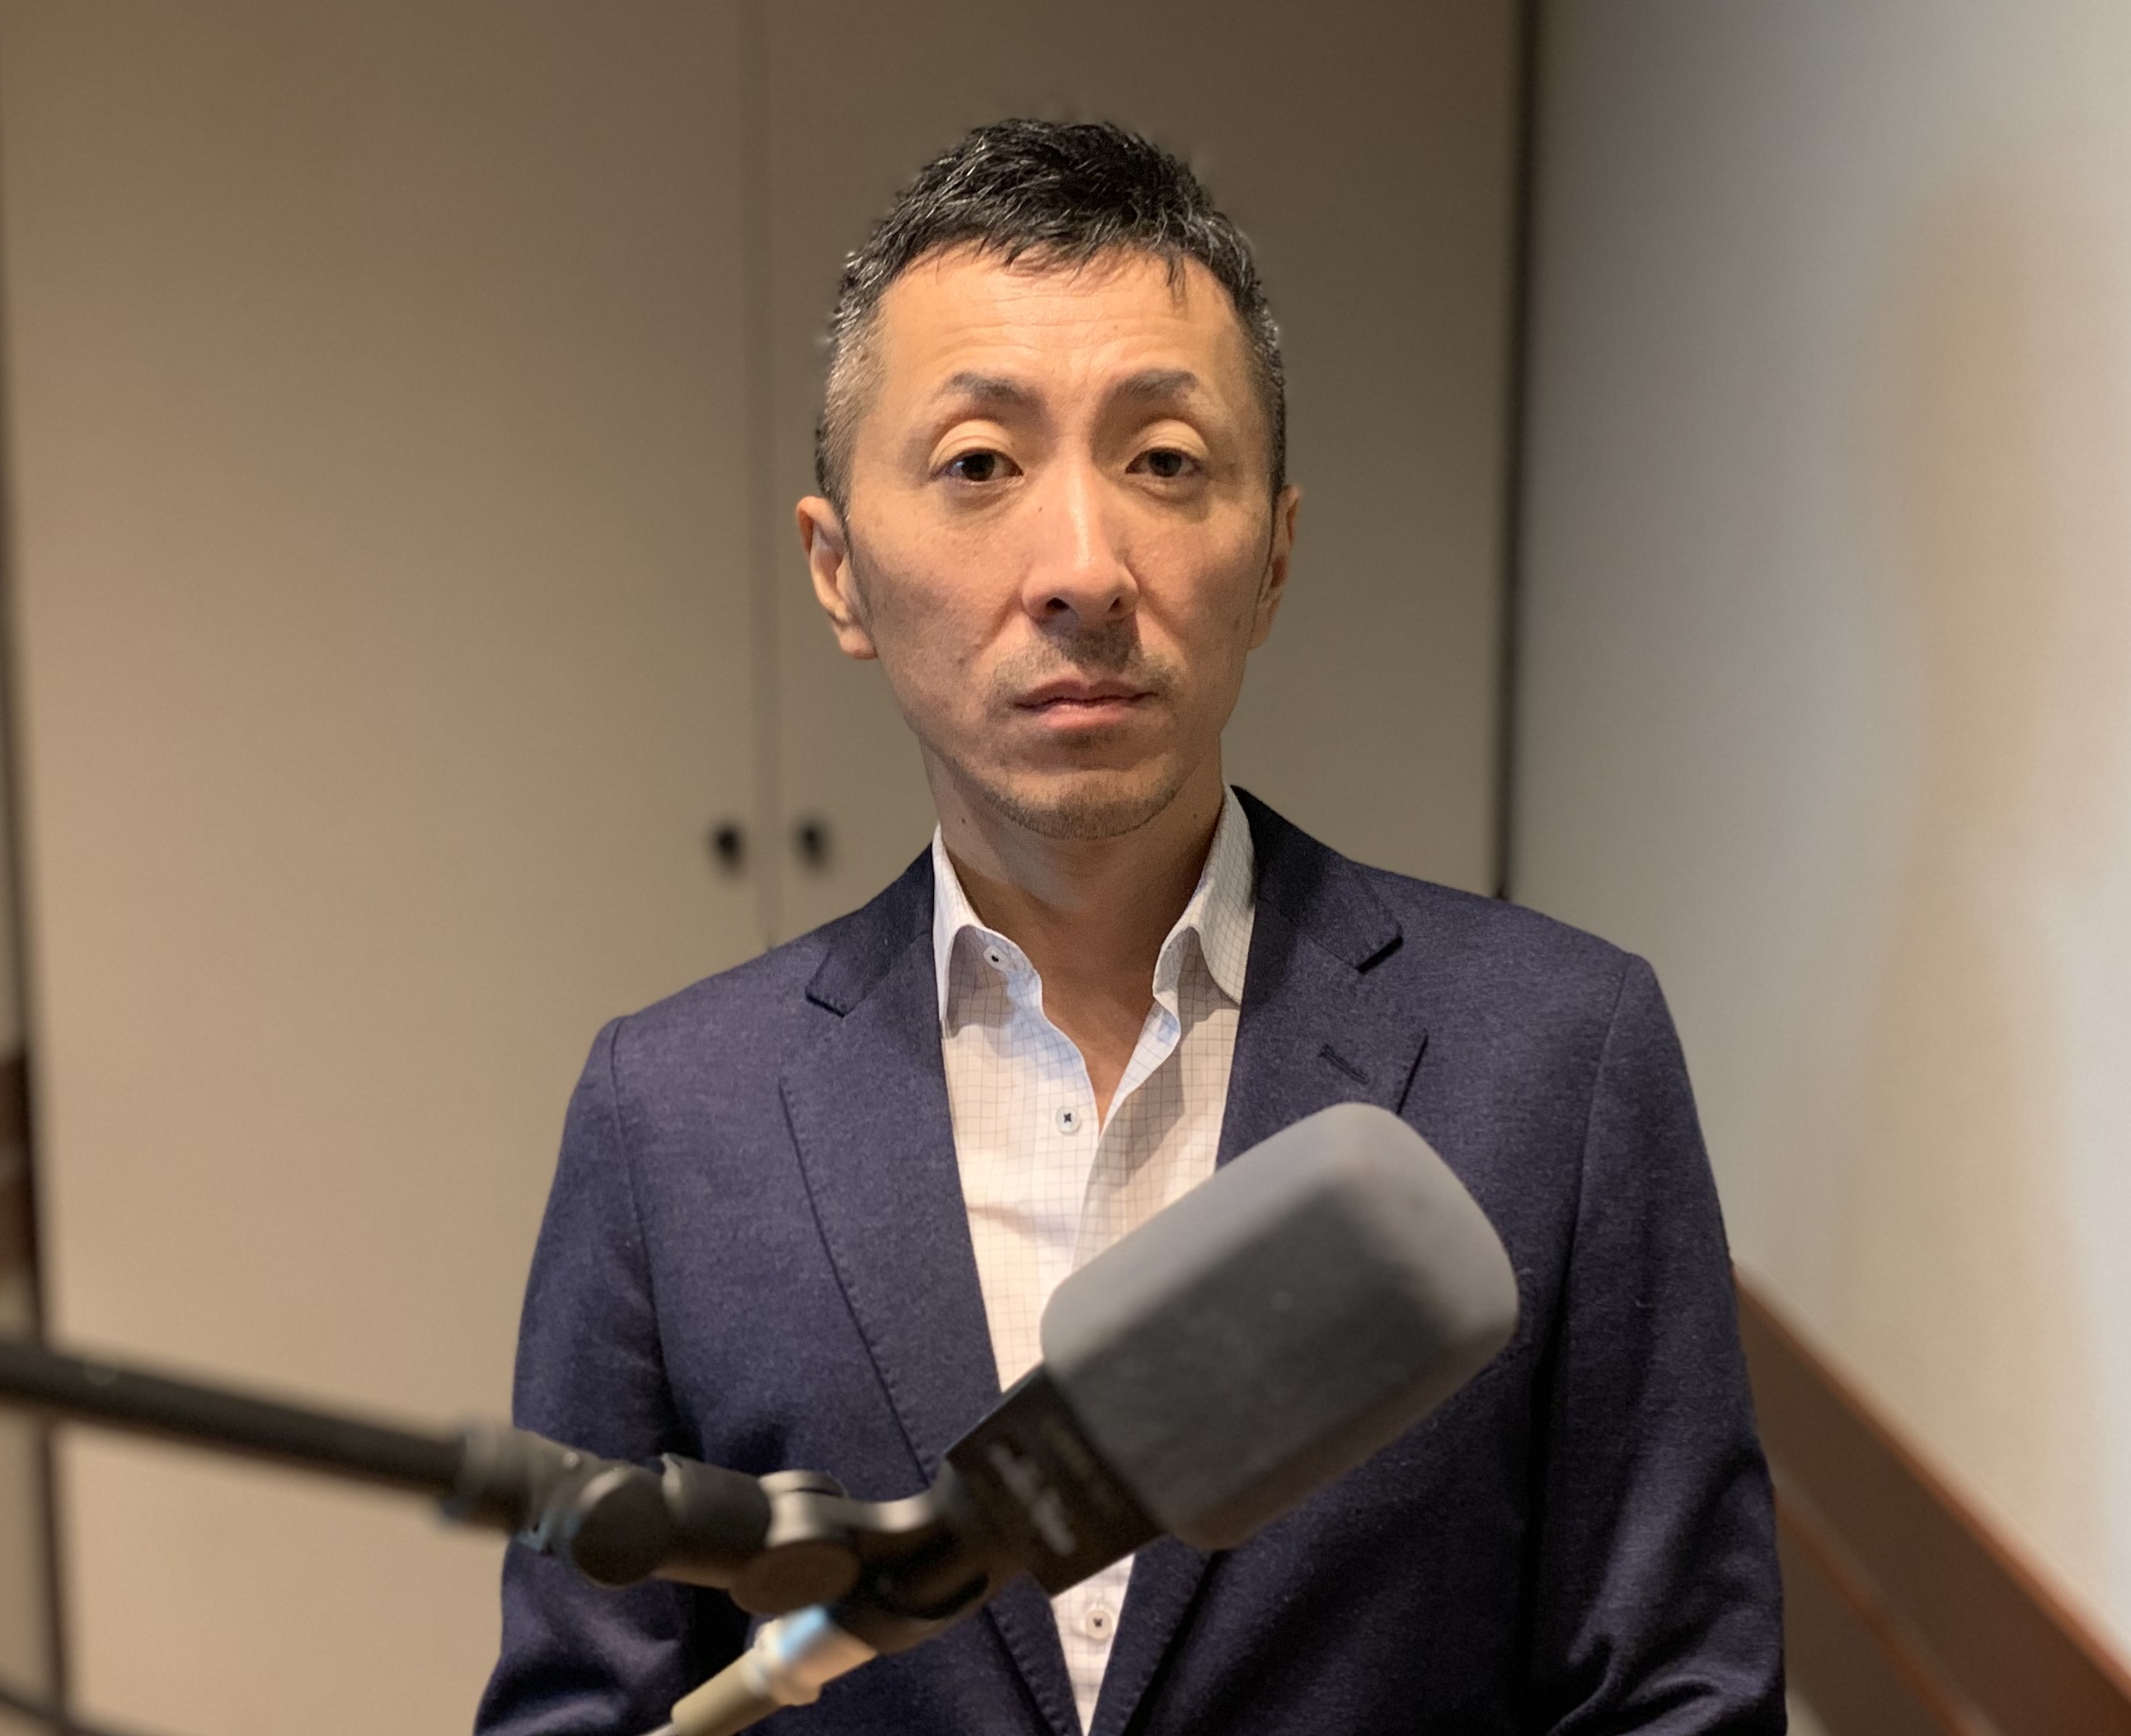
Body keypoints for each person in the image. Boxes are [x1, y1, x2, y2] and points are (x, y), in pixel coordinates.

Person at [476, 120, 1783, 1736]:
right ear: (838, 571)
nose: (1084, 570)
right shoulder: (668, 1116)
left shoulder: (1558, 1060)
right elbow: (575, 1706)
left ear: (1273, 554)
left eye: (1163, 461)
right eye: (978, 465)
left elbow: (1678, 1695)